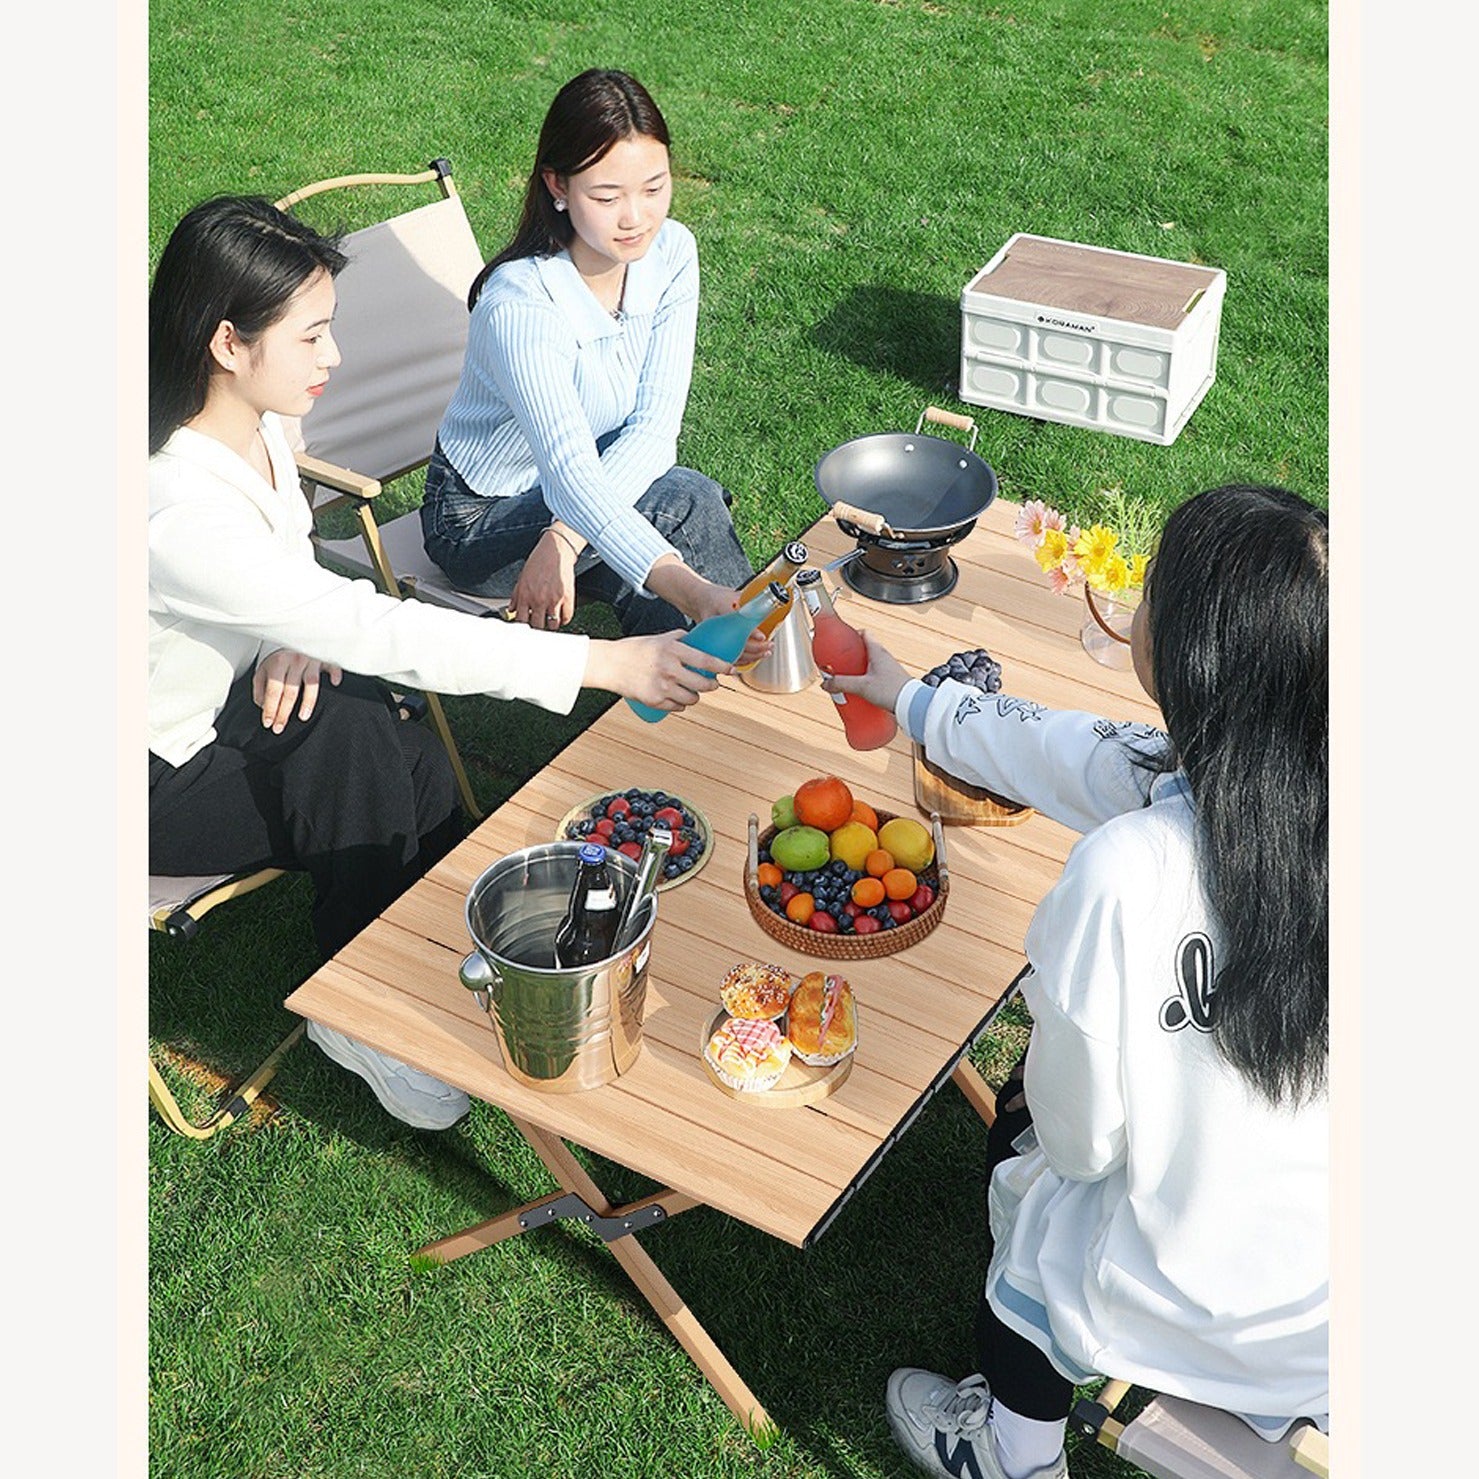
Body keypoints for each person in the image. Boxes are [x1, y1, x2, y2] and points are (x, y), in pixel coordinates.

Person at [149, 194, 729, 1131]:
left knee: (395, 746)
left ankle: (431, 920)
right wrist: (607, 663)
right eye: (313, 337)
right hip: (149, 772)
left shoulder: (247, 418)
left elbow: (288, 558)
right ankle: (358, 1007)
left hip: (221, 686)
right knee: (356, 741)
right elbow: (386, 629)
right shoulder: (172, 505)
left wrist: (294, 629)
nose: (333, 357)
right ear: (227, 341)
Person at [822, 484, 1328, 1479]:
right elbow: (1073, 751)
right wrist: (913, 696)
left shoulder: (1131, 870)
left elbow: (1080, 1140)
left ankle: (1013, 1456)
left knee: (1031, 1179)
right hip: (1339, 1305)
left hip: (1195, 1305)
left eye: (1154, 596)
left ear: (1182, 658)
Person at [420, 67, 757, 638]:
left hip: (587, 480)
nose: (636, 218)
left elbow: (653, 433)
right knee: (681, 505)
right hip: (479, 516)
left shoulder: (672, 252)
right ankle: (727, 663)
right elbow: (569, 471)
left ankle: (685, 692)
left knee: (672, 514)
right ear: (558, 187)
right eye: (607, 196)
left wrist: (563, 539)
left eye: (655, 188)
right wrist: (692, 589)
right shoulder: (522, 306)